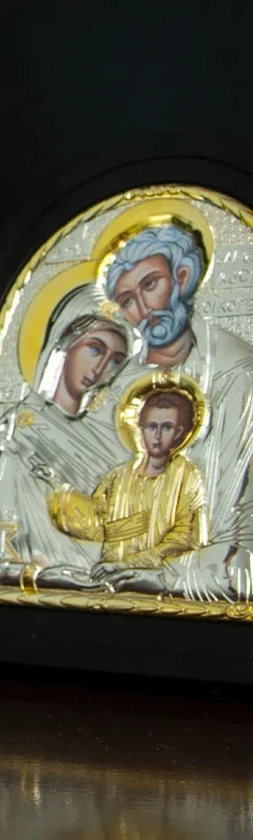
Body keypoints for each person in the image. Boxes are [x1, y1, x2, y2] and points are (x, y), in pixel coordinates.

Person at [102, 222, 253, 596]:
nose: (143, 308)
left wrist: (171, 575)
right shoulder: (116, 385)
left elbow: (238, 532)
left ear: (182, 276)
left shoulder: (234, 370)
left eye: (150, 284)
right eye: (127, 300)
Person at [0, 284, 137, 585]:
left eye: (115, 359)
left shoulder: (114, 440)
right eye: (95, 349)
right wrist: (42, 574)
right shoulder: (18, 430)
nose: (101, 368)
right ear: (65, 342)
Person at [48, 388, 205, 577]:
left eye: (166, 427)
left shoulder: (185, 474)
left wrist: (126, 564)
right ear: (140, 428)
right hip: (108, 575)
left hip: (159, 579)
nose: (157, 435)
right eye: (151, 426)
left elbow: (186, 538)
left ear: (179, 432)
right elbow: (98, 524)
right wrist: (56, 491)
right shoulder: (119, 475)